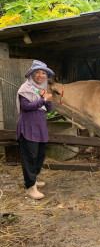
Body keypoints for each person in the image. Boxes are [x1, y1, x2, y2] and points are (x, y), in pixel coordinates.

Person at [16, 60, 54, 200]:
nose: (40, 75)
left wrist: (48, 100)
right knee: (29, 157)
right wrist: (43, 100)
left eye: (43, 73)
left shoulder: (43, 89)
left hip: (40, 127)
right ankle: (30, 188)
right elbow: (26, 106)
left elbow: (48, 109)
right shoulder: (24, 89)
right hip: (28, 127)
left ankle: (34, 180)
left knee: (39, 155)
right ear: (32, 74)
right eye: (37, 72)